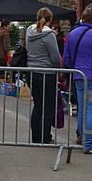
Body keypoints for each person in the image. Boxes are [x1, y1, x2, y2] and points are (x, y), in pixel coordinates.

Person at [63, 5, 92, 155]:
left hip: (79, 76)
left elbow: (67, 59)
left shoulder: (72, 34)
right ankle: (89, 144)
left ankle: (83, 139)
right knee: (91, 110)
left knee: (82, 109)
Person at [25, 8, 62, 144]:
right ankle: (45, 137)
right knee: (48, 107)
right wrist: (59, 70)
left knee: (38, 105)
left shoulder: (29, 32)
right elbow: (56, 57)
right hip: (47, 73)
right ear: (50, 19)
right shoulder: (49, 35)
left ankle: (36, 136)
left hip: (32, 72)